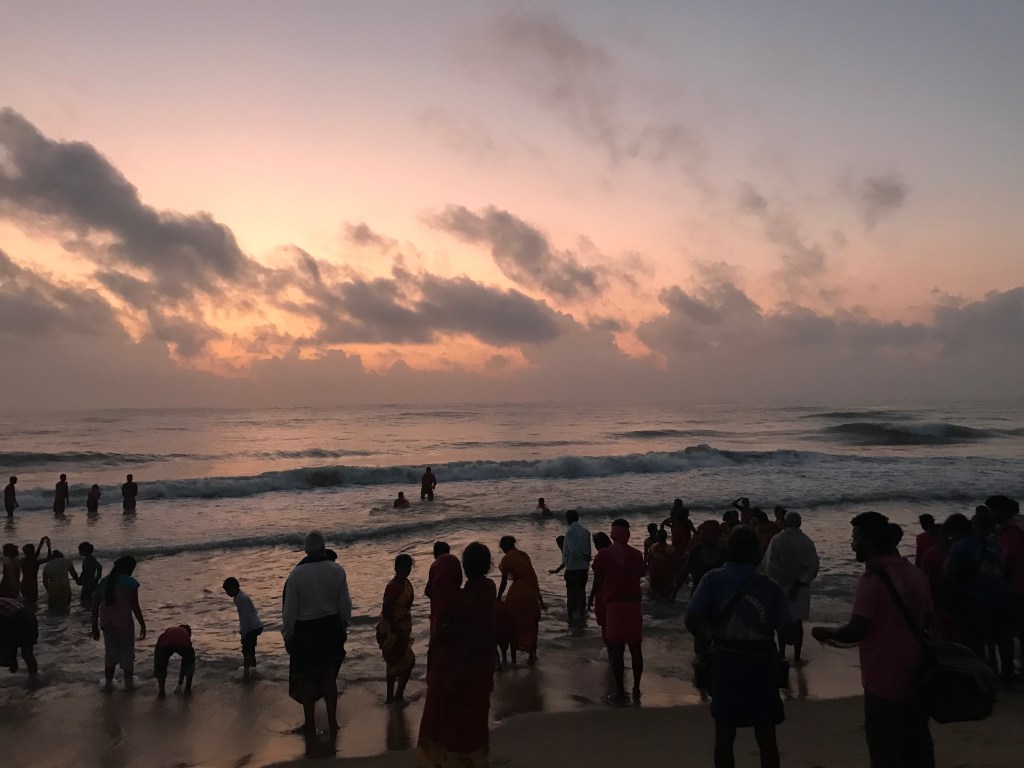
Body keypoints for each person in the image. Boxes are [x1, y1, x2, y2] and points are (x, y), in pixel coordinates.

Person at [812, 511, 934, 768]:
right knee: (917, 746)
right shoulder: (915, 573)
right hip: (919, 672)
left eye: (855, 538)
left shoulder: (871, 579)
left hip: (884, 678)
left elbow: (857, 629)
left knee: (885, 749)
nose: (852, 544)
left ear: (869, 541)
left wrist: (828, 633)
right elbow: (927, 618)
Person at [686, 526, 794, 768]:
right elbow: (787, 633)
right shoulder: (771, 586)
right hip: (762, 665)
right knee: (766, 736)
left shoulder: (712, 579)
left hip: (726, 663)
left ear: (729, 550)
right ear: (756, 553)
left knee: (724, 735)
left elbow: (691, 619)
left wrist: (708, 636)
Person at [417, 542, 497, 768]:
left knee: (455, 727)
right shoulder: (488, 589)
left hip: (460, 677)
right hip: (482, 670)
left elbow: (448, 638)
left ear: (465, 567)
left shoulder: (460, 602)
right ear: (488, 566)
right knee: (476, 722)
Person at [281, 530, 351, 735]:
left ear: (305, 550)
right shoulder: (336, 570)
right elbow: (345, 604)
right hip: (331, 626)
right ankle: (332, 721)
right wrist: (344, 625)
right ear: (323, 547)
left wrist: (287, 634)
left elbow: (289, 610)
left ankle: (310, 724)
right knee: (329, 677)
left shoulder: (296, 575)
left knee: (306, 679)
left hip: (305, 631)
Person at [945, 508, 1013, 682]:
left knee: (976, 639)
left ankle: (981, 675)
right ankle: (1008, 675)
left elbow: (948, 571)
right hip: (1001, 595)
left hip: (976, 598)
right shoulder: (995, 542)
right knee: (1003, 639)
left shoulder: (960, 546)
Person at [592, 519, 646, 701]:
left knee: (616, 650)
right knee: (636, 648)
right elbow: (641, 573)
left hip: (614, 606)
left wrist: (592, 599)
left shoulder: (604, 555)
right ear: (628, 533)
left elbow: (598, 577)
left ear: (613, 533)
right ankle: (636, 687)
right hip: (633, 606)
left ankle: (620, 692)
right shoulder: (636, 554)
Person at [761, 511, 820, 664]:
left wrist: (777, 581)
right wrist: (799, 582)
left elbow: (770, 566)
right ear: (800, 523)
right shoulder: (807, 541)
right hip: (800, 586)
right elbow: (813, 566)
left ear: (785, 523)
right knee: (798, 622)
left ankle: (781, 655)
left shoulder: (777, 540)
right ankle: (797, 657)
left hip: (781, 585)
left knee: (782, 620)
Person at [92, 556, 146, 690]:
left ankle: (109, 683)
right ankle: (129, 683)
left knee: (110, 651)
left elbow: (96, 605)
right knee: (127, 651)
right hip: (123, 620)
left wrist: (94, 625)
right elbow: (134, 606)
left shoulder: (104, 581)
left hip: (106, 620)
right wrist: (142, 623)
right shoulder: (130, 582)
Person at [987, 495, 1024, 672]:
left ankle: (1008, 672)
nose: (990, 515)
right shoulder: (1018, 526)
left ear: (1001, 512)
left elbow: (1008, 563)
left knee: (1005, 632)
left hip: (1016, 589)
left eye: (992, 511)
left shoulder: (1010, 532)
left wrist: (999, 585)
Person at [497, 536, 544, 664]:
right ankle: (532, 654)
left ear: (505, 546)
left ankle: (513, 660)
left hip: (518, 592)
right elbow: (532, 576)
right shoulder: (524, 555)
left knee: (513, 624)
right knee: (531, 623)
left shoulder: (507, 558)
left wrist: (498, 598)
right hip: (532, 591)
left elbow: (503, 582)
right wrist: (540, 598)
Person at [376, 554, 415, 704]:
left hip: (402, 629)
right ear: (396, 568)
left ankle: (396, 695)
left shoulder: (406, 583)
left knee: (402, 662)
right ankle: (392, 697)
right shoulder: (392, 587)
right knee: (397, 662)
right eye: (404, 568)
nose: (407, 570)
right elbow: (387, 611)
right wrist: (396, 630)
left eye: (409, 567)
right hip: (392, 631)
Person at [671, 520, 726, 600]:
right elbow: (685, 571)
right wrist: (674, 592)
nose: (701, 537)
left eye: (705, 534)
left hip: (718, 595)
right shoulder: (696, 551)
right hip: (698, 593)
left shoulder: (725, 553)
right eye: (701, 534)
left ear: (714, 535)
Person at [223, 576, 263, 681]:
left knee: (246, 651)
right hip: (254, 626)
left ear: (233, 588)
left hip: (252, 628)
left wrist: (243, 635)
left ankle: (247, 675)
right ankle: (253, 671)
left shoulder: (242, 599)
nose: (227, 593)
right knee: (251, 650)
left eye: (227, 591)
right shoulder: (240, 597)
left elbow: (245, 619)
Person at [558, 509, 591, 623]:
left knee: (571, 593)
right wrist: (585, 559)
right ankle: (581, 614)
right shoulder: (585, 531)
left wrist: (580, 556)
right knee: (582, 591)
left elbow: (572, 551)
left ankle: (570, 616)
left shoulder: (570, 532)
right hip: (584, 567)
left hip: (572, 567)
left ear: (568, 519)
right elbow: (588, 550)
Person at [425, 541, 461, 636]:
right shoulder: (454, 560)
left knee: (438, 637)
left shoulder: (435, 565)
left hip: (438, 612)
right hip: (454, 608)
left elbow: (427, 591)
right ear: (448, 551)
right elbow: (459, 581)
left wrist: (438, 598)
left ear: (435, 554)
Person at [0, 597, 38, 678]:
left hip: (16, 618)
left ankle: (12, 663)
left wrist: (11, 657)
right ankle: (35, 677)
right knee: (28, 653)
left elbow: (5, 630)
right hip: (29, 615)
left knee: (5, 656)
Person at [154, 624, 195, 696]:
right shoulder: (185, 634)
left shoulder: (171, 629)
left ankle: (161, 691)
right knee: (190, 661)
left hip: (163, 644)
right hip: (181, 642)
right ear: (189, 633)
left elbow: (160, 642)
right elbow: (185, 663)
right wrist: (180, 682)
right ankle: (187, 688)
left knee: (161, 667)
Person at [646, 530, 677, 600]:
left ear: (657, 537)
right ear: (666, 537)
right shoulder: (671, 548)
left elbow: (649, 560)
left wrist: (650, 570)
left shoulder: (652, 547)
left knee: (653, 591)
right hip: (666, 573)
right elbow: (674, 563)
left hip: (654, 571)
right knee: (666, 592)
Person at [20, 537, 51, 604]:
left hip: (24, 584)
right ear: (33, 551)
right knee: (33, 602)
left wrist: (40, 545)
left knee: (26, 602)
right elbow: (48, 559)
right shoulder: (35, 562)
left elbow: (35, 555)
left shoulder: (23, 560)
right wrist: (49, 547)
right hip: (32, 585)